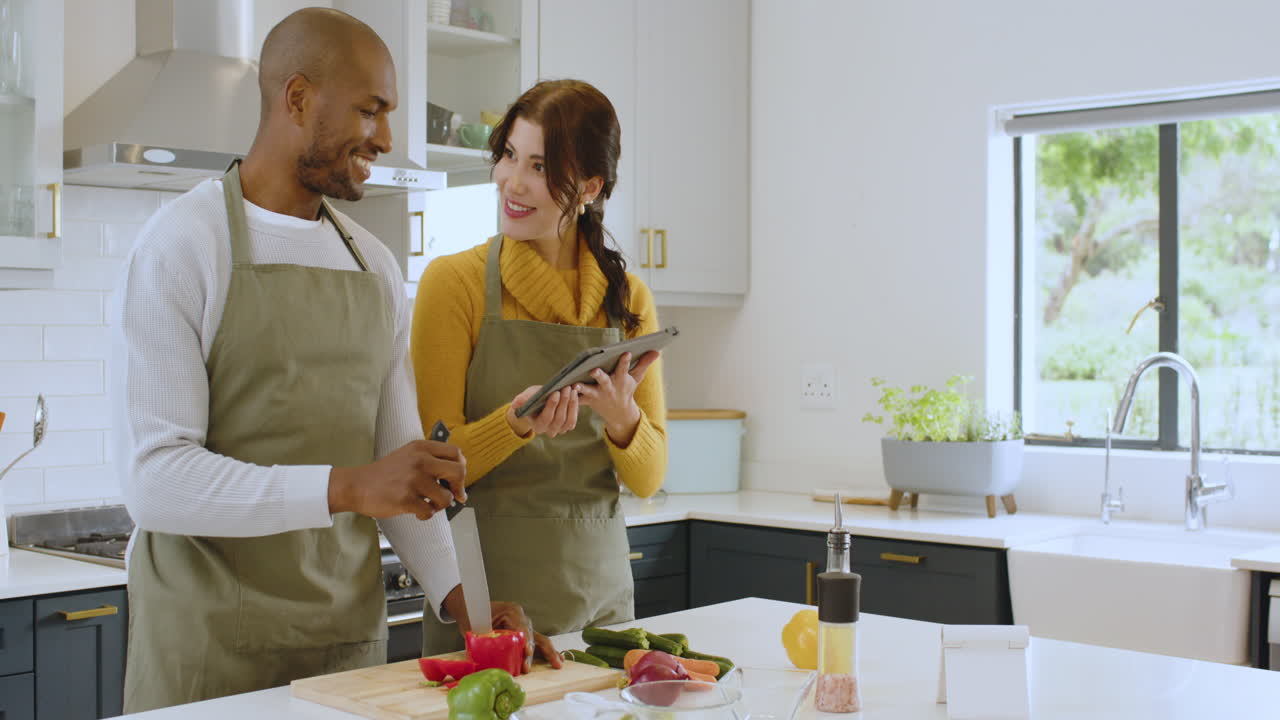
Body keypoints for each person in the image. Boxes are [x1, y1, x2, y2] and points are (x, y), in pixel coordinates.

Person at [111, 9, 556, 713]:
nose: (385, 138)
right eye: (370, 111)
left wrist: (467, 600)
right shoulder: (182, 246)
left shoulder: (372, 267)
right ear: (296, 98)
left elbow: (398, 473)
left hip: (345, 652)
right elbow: (156, 481)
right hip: (208, 656)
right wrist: (347, 488)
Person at [410, 79, 668, 654]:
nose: (512, 182)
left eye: (539, 166)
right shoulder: (454, 285)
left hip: (604, 603)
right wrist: (516, 424)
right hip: (490, 600)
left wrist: (624, 420)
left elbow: (649, 479)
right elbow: (434, 468)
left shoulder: (628, 299)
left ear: (590, 187)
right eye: (508, 156)